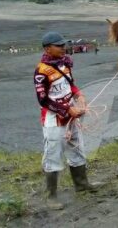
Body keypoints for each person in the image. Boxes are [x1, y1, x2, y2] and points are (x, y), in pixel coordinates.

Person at [34, 31, 99, 210]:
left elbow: (70, 84)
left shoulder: (64, 65)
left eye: (64, 45)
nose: (64, 48)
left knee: (77, 147)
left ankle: (81, 184)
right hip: (54, 119)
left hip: (71, 114)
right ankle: (51, 196)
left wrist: (79, 95)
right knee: (53, 154)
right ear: (48, 49)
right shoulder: (41, 72)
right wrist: (66, 109)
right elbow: (43, 100)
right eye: (59, 46)